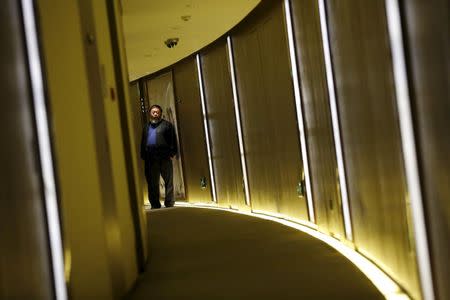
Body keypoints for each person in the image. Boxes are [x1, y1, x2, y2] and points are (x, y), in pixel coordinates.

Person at [140, 104, 178, 209]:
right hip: (150, 159)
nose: (155, 113)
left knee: (168, 181)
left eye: (157, 112)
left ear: (160, 113)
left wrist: (172, 153)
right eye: (153, 112)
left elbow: (173, 140)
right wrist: (143, 155)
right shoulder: (146, 127)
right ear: (150, 114)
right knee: (152, 183)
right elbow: (143, 142)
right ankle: (155, 203)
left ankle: (169, 202)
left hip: (165, 157)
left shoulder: (167, 125)